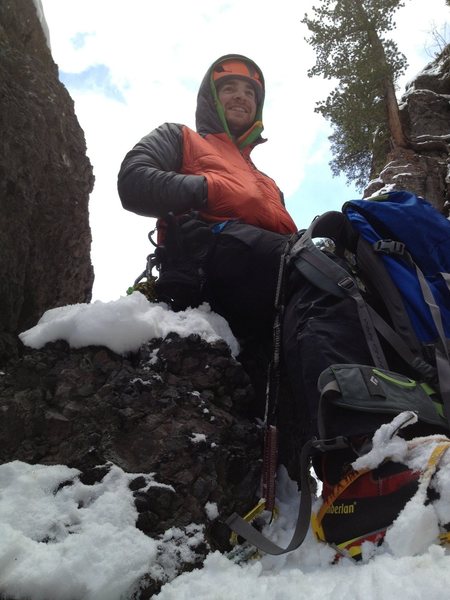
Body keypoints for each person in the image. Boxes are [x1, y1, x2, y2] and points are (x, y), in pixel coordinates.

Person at [118, 53, 373, 447]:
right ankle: (353, 441)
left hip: (269, 267)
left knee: (351, 283)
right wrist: (211, 189)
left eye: (249, 92)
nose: (241, 97)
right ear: (211, 99)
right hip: (208, 257)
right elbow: (133, 181)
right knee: (315, 271)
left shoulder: (268, 182)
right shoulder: (181, 137)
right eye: (229, 89)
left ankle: (370, 429)